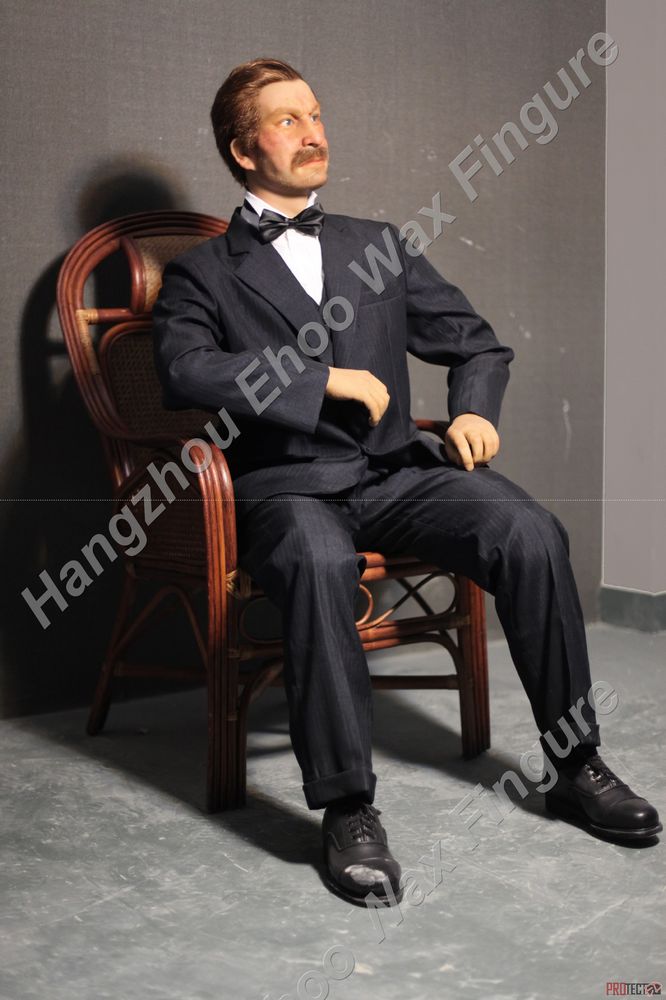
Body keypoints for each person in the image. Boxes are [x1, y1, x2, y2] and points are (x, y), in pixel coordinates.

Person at [152, 57, 661, 907]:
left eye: (316, 114)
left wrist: (472, 410)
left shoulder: (376, 246)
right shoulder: (203, 272)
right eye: (287, 120)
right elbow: (185, 370)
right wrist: (319, 382)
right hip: (290, 486)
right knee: (318, 562)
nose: (313, 132)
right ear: (242, 150)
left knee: (529, 530)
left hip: (395, 473)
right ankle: (348, 808)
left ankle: (576, 767)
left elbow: (478, 343)